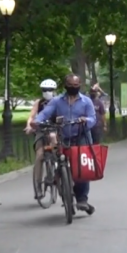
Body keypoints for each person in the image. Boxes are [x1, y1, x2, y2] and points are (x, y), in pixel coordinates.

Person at [33, 74, 97, 214]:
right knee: (59, 161)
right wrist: (36, 121)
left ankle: (82, 199)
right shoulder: (57, 101)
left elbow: (93, 119)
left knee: (81, 170)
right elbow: (44, 114)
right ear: (65, 86)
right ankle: (61, 183)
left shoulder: (86, 101)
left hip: (80, 137)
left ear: (80, 85)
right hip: (62, 136)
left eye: (76, 86)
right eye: (70, 85)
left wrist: (85, 120)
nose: (73, 88)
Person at [25, 79, 59, 200]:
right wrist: (29, 126)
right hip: (41, 130)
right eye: (44, 90)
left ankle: (59, 170)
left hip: (55, 129)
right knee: (39, 156)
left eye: (49, 90)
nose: (47, 92)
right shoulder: (39, 103)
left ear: (54, 90)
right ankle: (38, 186)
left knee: (55, 141)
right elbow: (32, 116)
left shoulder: (59, 101)